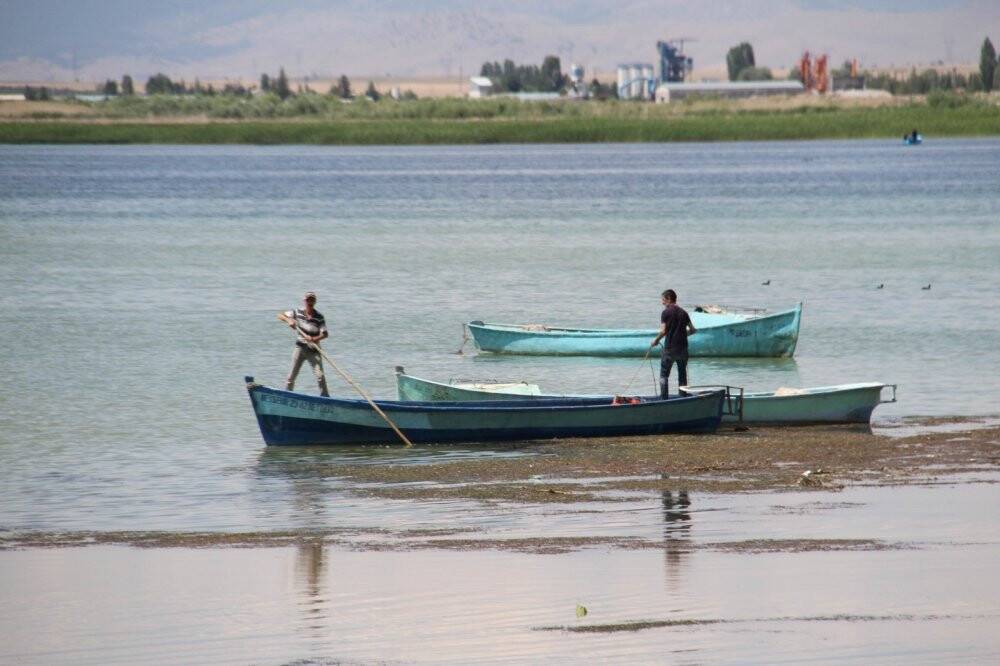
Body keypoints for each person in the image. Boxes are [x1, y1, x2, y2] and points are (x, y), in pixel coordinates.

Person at [277, 291, 329, 396]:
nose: (310, 302)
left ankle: (325, 398)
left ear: (315, 302)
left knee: (320, 376)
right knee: (291, 377)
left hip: (313, 349)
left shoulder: (319, 317)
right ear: (304, 301)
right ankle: (287, 396)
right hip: (300, 348)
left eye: (312, 300)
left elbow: (325, 334)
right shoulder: (297, 312)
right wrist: (289, 320)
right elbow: (280, 315)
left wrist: (314, 339)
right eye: (308, 300)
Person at [650, 289, 696, 399]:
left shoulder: (666, 312)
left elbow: (663, 331)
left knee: (664, 375)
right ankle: (683, 397)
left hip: (670, 349)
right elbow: (693, 330)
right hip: (683, 349)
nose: (662, 303)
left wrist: (656, 340)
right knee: (682, 374)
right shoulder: (684, 313)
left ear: (669, 299)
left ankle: (664, 399)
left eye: (663, 300)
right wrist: (683, 335)